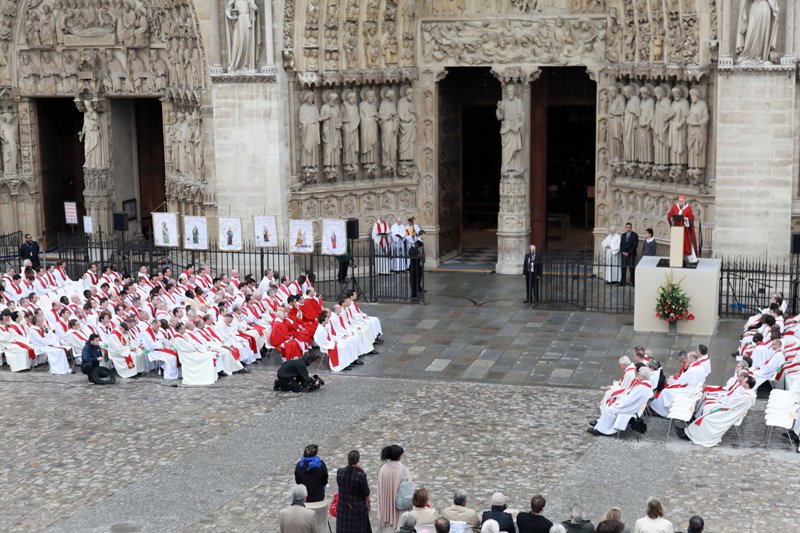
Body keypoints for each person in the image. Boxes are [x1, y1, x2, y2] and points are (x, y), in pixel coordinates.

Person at [679, 375, 757, 446]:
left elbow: (731, 404)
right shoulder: (750, 394)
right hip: (731, 411)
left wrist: (722, 404)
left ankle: (694, 436)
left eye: (744, 381)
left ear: (747, 384)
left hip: (730, 414)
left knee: (708, 418)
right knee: (708, 415)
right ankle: (688, 432)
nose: (742, 381)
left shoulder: (746, 396)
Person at [377, 444, 413, 533]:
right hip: (399, 507)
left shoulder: (383, 469)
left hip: (387, 504)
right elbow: (410, 486)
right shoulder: (403, 470)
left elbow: (380, 487)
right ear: (398, 456)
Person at [336, 450, 372, 533]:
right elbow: (366, 492)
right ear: (358, 460)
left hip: (342, 507)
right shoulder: (360, 475)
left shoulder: (340, 472)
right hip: (357, 509)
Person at [295, 444, 328, 532]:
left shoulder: (299, 466)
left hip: (305, 498)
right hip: (318, 496)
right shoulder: (321, 465)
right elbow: (325, 481)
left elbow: (298, 482)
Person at [666, 194, 698, 264]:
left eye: (682, 202)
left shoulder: (688, 208)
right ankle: (676, 260)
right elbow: (669, 215)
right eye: (680, 201)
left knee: (687, 244)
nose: (680, 203)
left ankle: (691, 260)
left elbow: (691, 218)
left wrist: (685, 219)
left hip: (685, 231)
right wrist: (671, 218)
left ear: (684, 202)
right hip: (676, 230)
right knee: (677, 245)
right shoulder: (675, 207)